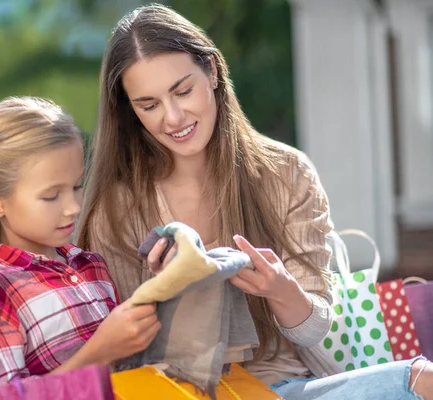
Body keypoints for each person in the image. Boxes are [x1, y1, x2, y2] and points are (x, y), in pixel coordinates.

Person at [75, 4, 432, 399]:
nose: (173, 117)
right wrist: (166, 295)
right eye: (149, 105)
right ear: (129, 109)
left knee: (423, 378)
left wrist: (280, 289)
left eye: (182, 91)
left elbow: (316, 329)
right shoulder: (117, 208)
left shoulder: (285, 172)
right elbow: (120, 355)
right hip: (180, 392)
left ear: (212, 71)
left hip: (285, 387)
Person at [0, 96, 161, 392]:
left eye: (76, 187)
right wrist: (98, 353)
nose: (74, 206)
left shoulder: (89, 265)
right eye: (51, 195)